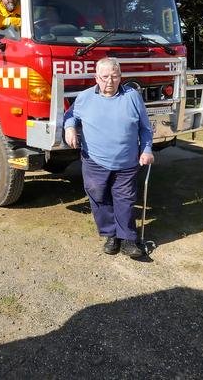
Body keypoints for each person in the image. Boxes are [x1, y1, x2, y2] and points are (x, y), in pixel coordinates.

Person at [64, 57, 154, 258]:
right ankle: (111, 234)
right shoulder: (85, 97)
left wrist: (147, 149)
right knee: (98, 196)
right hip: (94, 160)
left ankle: (128, 238)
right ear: (96, 78)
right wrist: (69, 128)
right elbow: (70, 116)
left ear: (121, 77)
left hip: (127, 161)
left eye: (114, 76)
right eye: (105, 77)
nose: (110, 81)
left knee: (125, 200)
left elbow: (145, 128)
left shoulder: (132, 97)